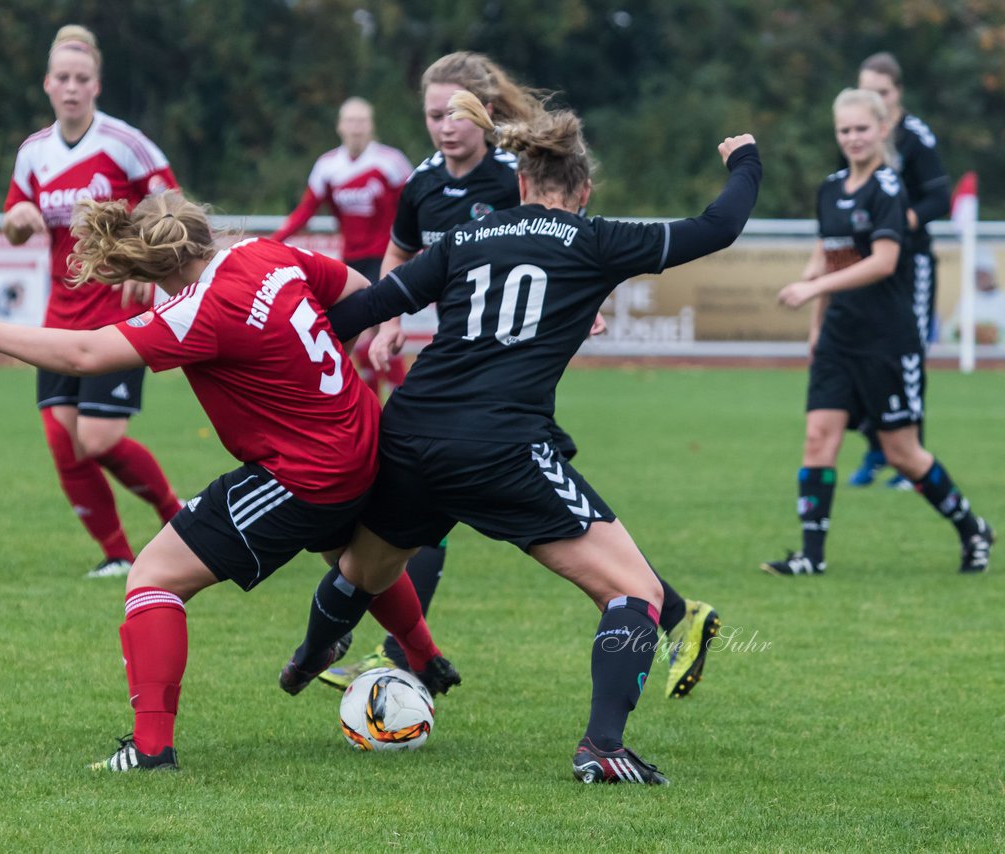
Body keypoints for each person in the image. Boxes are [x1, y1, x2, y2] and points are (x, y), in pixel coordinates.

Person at [282, 90, 762, 784]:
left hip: (412, 431)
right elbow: (718, 226)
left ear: (521, 184)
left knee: (364, 571)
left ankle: (307, 657)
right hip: (501, 446)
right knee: (636, 593)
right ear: (584, 189)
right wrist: (745, 161)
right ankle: (602, 746)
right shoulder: (598, 240)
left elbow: (374, 303)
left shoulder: (465, 238)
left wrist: (276, 340)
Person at [0, 191, 457, 772]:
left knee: (153, 577)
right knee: (350, 553)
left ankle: (152, 749)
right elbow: (362, 296)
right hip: (361, 438)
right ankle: (425, 656)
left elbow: (84, 353)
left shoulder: (198, 310)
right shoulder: (265, 254)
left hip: (306, 473)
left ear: (157, 266)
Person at [762, 88, 993, 577]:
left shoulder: (888, 188)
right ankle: (811, 557)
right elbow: (831, 253)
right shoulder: (830, 188)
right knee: (818, 439)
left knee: (902, 453)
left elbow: (883, 263)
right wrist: (817, 325)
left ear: (881, 129)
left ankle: (973, 529)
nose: (853, 138)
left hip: (887, 341)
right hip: (838, 339)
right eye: (844, 130)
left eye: (862, 128)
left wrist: (813, 286)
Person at [2, 24, 181, 579]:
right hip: (60, 316)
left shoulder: (124, 143)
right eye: (63, 78)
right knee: (65, 443)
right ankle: (116, 554)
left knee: (99, 438)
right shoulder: (34, 153)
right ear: (47, 84)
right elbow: (12, 221)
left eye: (82, 78)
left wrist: (145, 258)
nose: (72, 87)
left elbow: (172, 205)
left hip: (116, 314)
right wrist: (18, 220)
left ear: (96, 85)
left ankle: (176, 516)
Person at [846, 52, 951, 490]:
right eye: (867, 91)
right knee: (863, 351)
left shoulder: (915, 137)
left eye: (883, 93)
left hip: (912, 262)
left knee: (908, 352)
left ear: (899, 93)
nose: (876, 100)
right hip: (867, 262)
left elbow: (938, 201)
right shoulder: (857, 134)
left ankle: (913, 454)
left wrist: (896, 224)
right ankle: (877, 449)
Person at [271, 97, 413, 394]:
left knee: (378, 333)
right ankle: (375, 409)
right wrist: (271, 242)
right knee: (358, 340)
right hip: (350, 262)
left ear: (371, 126)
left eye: (361, 121)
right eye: (350, 121)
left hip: (387, 257)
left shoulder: (391, 162)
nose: (356, 128)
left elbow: (413, 206)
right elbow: (305, 211)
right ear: (339, 126)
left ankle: (403, 399)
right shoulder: (328, 166)